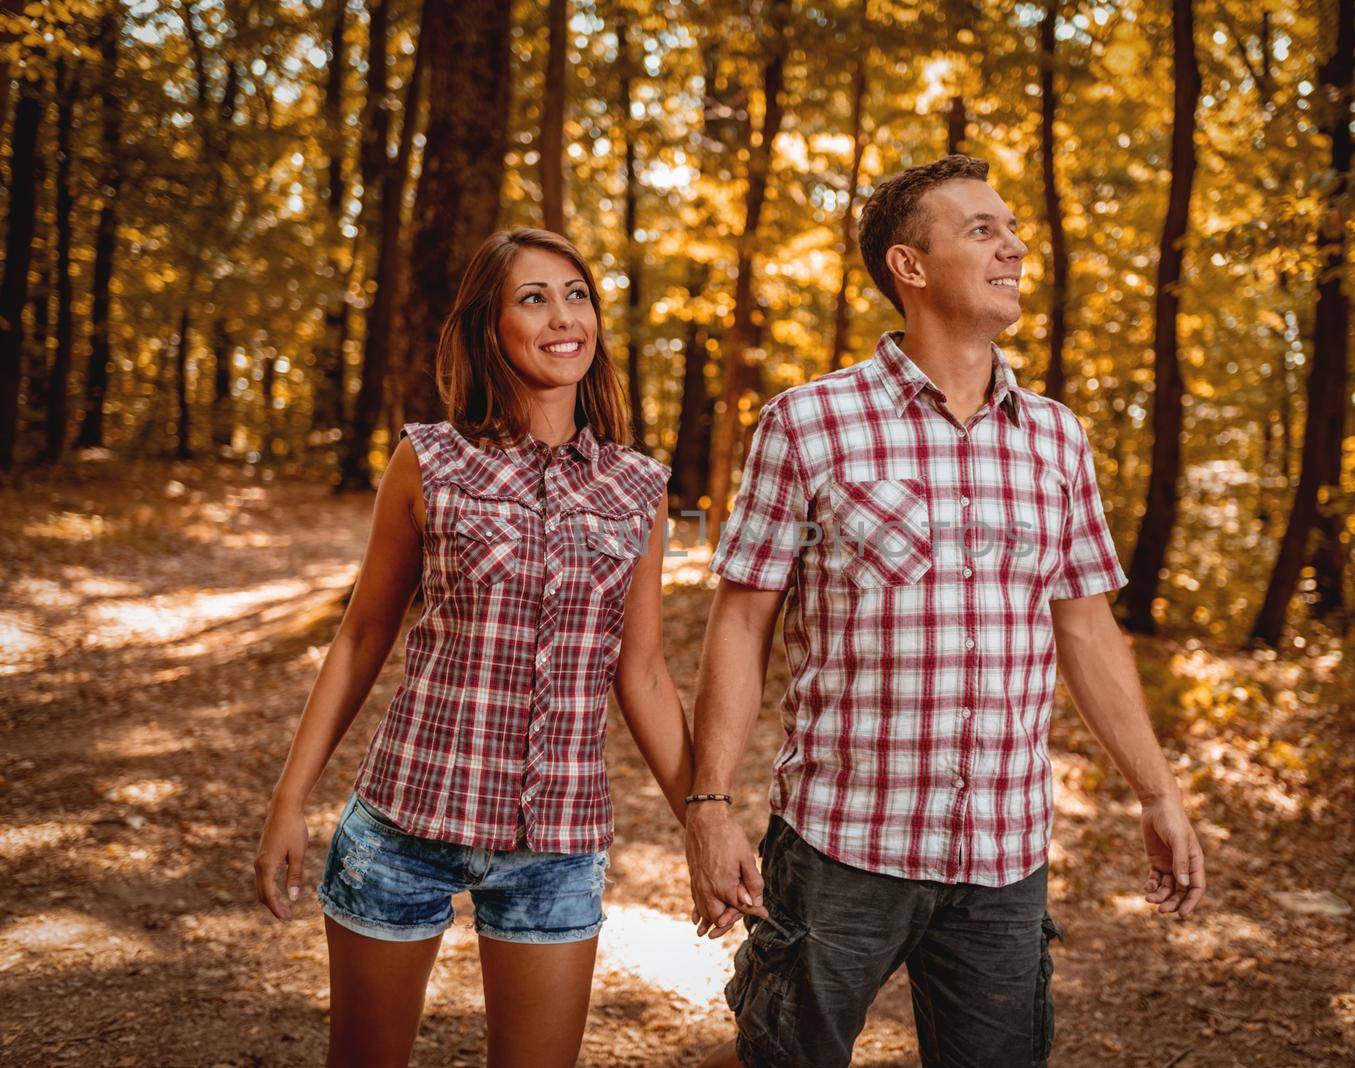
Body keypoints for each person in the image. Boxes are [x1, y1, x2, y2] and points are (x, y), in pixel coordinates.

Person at [685, 155, 1208, 1067]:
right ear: (909, 266)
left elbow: (1085, 627)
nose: (1013, 247)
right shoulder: (809, 423)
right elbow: (741, 622)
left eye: (1012, 230)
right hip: (842, 839)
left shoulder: (1056, 436)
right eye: (982, 230)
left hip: (1004, 854)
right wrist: (709, 805)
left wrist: (1157, 793)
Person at [254, 228, 695, 1068]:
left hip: (557, 845)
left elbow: (639, 670)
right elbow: (361, 636)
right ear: (489, 327)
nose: (564, 316)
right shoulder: (430, 461)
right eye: (533, 297)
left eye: (577, 294)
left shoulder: (638, 487)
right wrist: (289, 799)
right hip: (404, 828)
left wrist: (701, 822)